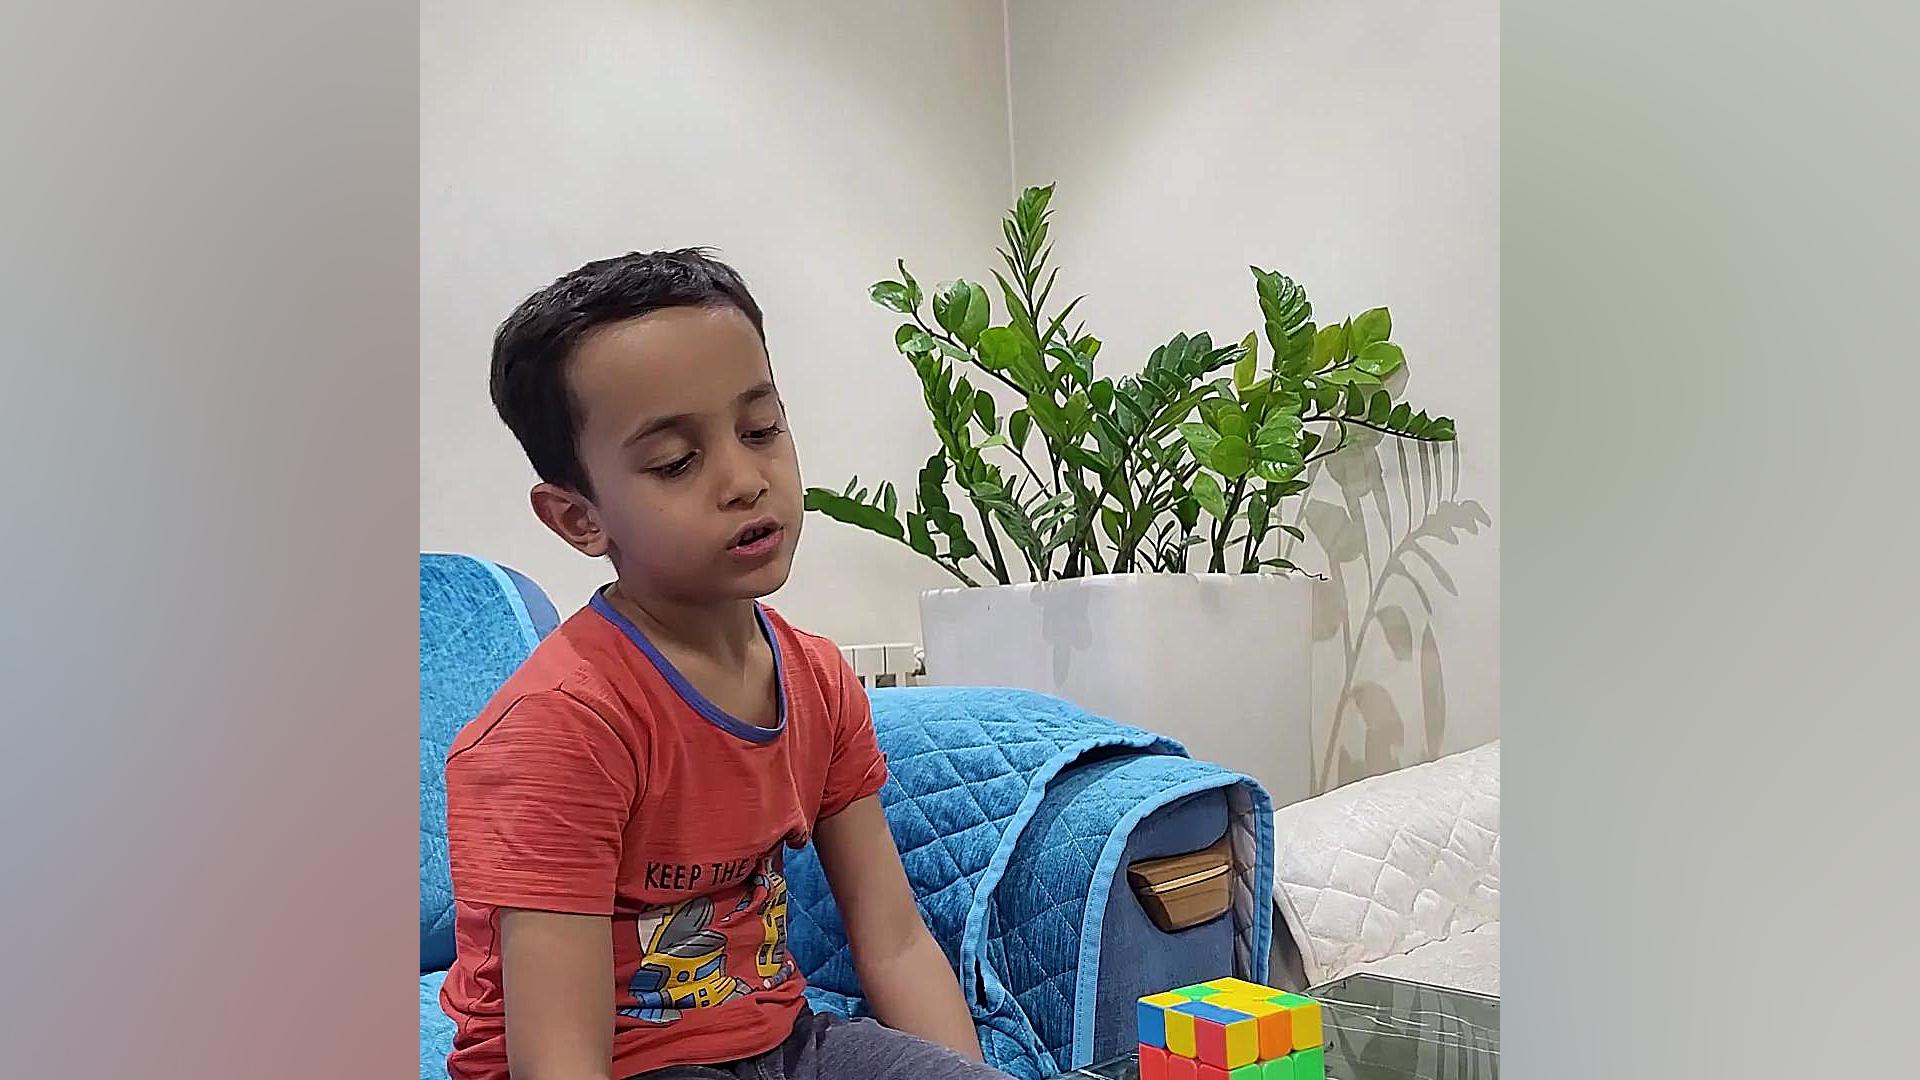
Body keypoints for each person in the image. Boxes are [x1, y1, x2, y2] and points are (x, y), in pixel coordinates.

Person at [439, 249, 1008, 1080]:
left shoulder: (818, 681)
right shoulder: (562, 724)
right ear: (579, 518)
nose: (745, 481)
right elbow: (558, 1058)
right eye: (676, 462)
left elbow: (893, 942)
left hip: (783, 1044)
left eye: (761, 429)